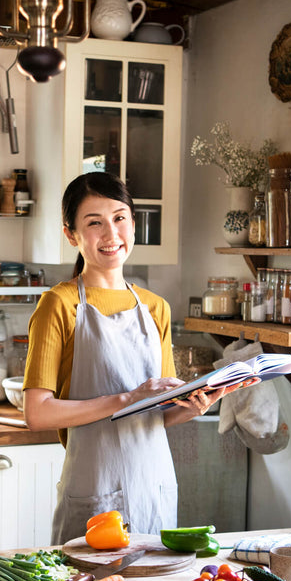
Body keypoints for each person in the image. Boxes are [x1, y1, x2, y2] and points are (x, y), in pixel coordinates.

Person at [23, 172, 229, 544]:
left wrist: (195, 405)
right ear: (71, 235)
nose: (111, 233)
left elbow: (160, 412)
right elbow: (37, 413)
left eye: (119, 218)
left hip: (155, 486)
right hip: (94, 490)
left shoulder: (156, 307)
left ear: (134, 225)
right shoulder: (59, 304)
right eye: (94, 223)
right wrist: (128, 399)